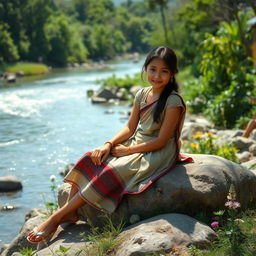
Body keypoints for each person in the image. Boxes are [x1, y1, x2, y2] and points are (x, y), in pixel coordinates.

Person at [27, 46, 191, 244]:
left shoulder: (173, 100)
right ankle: (71, 213)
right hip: (137, 142)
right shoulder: (142, 94)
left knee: (114, 169)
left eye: (164, 71)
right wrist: (108, 144)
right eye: (153, 69)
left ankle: (55, 218)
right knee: (93, 157)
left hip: (159, 150)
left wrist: (127, 151)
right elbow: (130, 128)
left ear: (172, 74)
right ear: (145, 68)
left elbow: (162, 140)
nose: (157, 75)